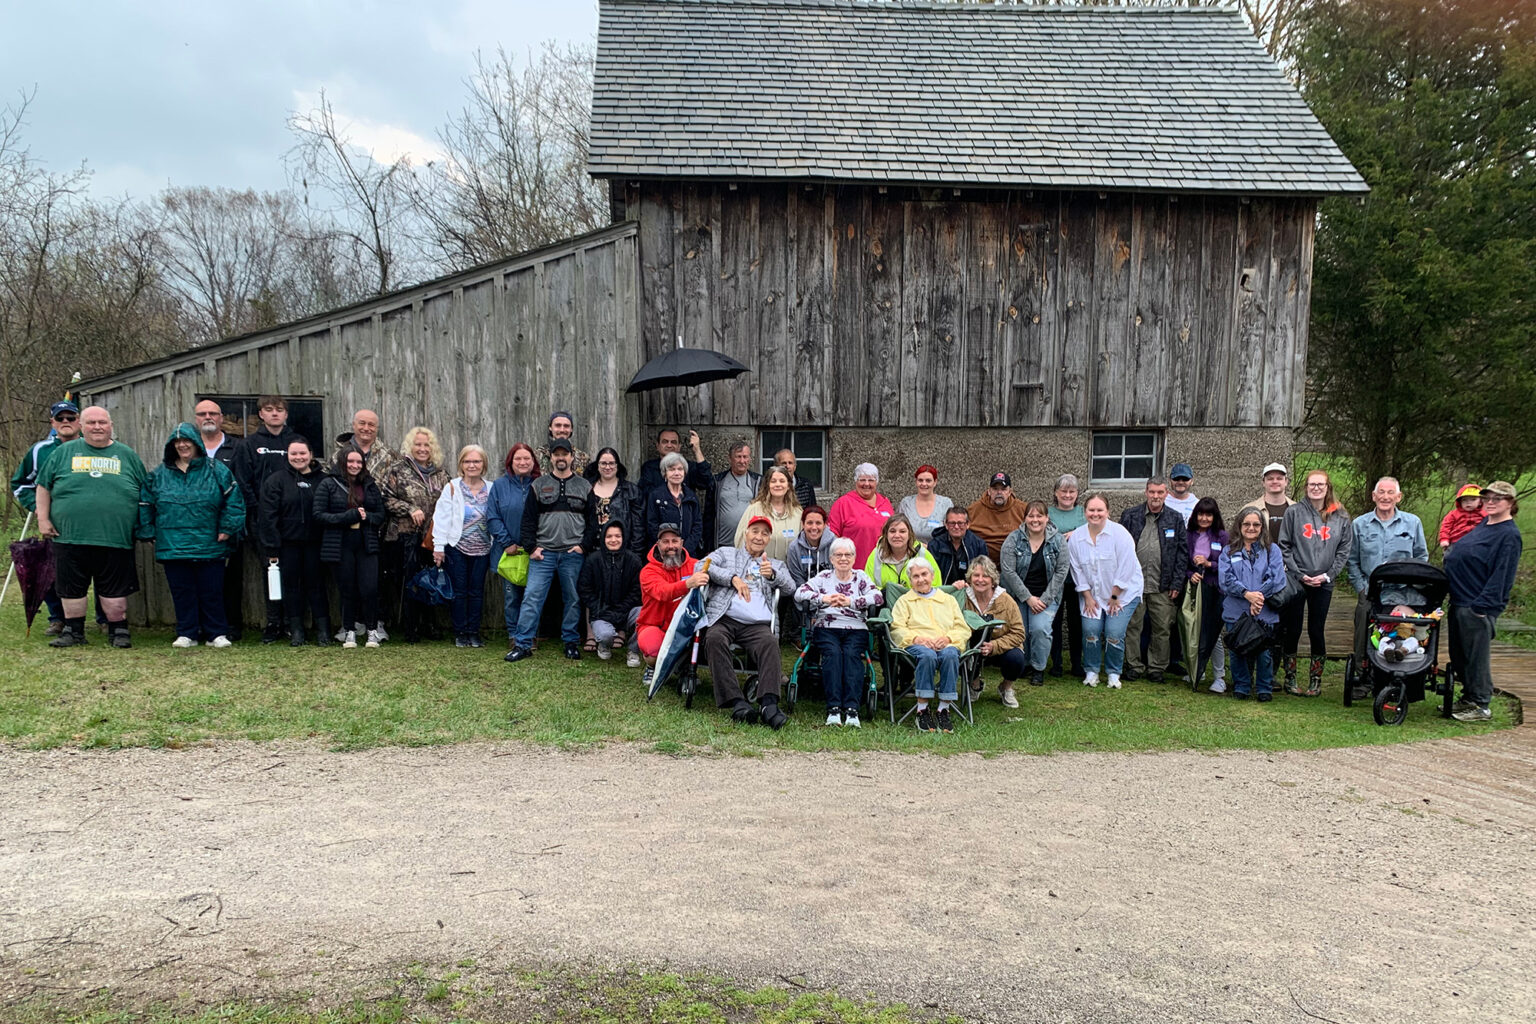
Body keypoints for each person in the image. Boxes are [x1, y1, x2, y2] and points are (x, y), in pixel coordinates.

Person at [35, 406, 148, 649]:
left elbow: (145, 492)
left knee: (115, 589)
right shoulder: (63, 452)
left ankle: (118, 630)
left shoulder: (126, 454)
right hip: (69, 536)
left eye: (102, 422)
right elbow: (43, 486)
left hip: (115, 537)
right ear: (81, 426)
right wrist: (43, 519)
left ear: (111, 425)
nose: (97, 427)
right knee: (70, 587)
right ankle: (73, 631)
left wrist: (143, 524)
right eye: (91, 423)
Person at [137, 422, 245, 648]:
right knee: (182, 591)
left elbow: (234, 501)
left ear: (196, 443)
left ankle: (216, 632)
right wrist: (148, 531)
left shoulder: (217, 470)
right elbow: (145, 503)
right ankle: (187, 632)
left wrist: (227, 528)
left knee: (212, 591)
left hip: (210, 543)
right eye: (177, 442)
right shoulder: (158, 474)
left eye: (186, 441)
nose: (182, 445)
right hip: (172, 543)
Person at [700, 516, 797, 728]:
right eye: (755, 531)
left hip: (757, 624)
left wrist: (772, 576)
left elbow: (791, 588)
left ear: (769, 539)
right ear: (746, 533)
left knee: (770, 643)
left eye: (764, 533)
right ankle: (737, 702)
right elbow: (701, 565)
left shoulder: (774, 564)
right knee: (714, 638)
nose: (759, 537)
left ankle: (769, 704)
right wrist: (732, 578)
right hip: (725, 617)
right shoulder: (726, 553)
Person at [507, 436, 592, 662]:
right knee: (532, 597)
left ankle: (571, 642)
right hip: (543, 553)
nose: (561, 458)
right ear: (551, 457)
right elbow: (528, 521)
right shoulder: (538, 485)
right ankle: (522, 643)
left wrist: (583, 546)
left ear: (572, 457)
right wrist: (532, 547)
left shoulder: (584, 486)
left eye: (565, 454)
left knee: (573, 598)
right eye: (557, 454)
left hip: (571, 554)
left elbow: (592, 522)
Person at [1444, 481, 1523, 723]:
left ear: (1510, 503)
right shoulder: (1484, 523)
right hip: (1459, 599)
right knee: (1460, 655)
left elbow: (1502, 575)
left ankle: (1480, 704)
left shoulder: (1509, 535)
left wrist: (1482, 607)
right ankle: (1468, 697)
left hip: (1476, 605)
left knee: (1476, 656)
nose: (1490, 502)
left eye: (1497, 499)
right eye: (1487, 498)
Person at [1277, 470, 1352, 696]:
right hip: (1298, 580)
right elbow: (1284, 544)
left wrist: (1329, 574)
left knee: (1316, 630)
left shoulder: (1340, 515)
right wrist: (1299, 574)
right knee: (1293, 629)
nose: (1316, 488)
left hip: (1324, 582)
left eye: (1320, 484)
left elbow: (1344, 549)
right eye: (1312, 485)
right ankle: (1290, 678)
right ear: (1306, 488)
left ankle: (1315, 680)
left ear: (1328, 487)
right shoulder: (1294, 512)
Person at [233, 395, 302, 643]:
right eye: (269, 409)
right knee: (271, 572)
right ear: (261, 414)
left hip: (293, 521)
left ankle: (293, 623)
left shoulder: (296, 442)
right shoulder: (249, 445)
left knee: (294, 572)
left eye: (280, 409)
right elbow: (242, 480)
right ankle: (273, 623)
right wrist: (259, 510)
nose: (275, 414)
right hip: (263, 521)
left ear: (286, 414)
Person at [9, 399, 81, 635]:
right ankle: (57, 618)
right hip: (52, 521)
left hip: (84, 520)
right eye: (60, 418)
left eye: (70, 418)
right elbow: (21, 483)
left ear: (78, 421)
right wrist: (38, 509)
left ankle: (103, 619)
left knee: (91, 567)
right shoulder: (40, 450)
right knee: (50, 570)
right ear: (52, 422)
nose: (66, 422)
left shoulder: (91, 446)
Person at [795, 536, 882, 727]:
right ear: (832, 558)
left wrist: (851, 602)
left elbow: (877, 596)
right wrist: (824, 598)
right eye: (839, 555)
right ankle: (833, 708)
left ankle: (852, 710)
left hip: (856, 627)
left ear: (854, 557)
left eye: (848, 555)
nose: (843, 558)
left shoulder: (861, 577)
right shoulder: (824, 577)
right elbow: (800, 592)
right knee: (833, 654)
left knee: (851, 655)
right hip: (827, 626)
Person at [1347, 477, 1428, 680]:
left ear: (1398, 497)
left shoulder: (1413, 523)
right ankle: (1362, 676)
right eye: (1381, 492)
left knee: (1409, 627)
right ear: (1374, 496)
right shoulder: (1359, 524)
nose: (1385, 497)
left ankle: (1403, 672)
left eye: (1390, 493)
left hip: (1404, 591)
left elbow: (1421, 557)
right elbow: (1351, 560)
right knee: (1363, 626)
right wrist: (1361, 588)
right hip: (1371, 589)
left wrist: (1415, 585)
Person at [1066, 493, 1143, 689]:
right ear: (1085, 512)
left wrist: (1116, 595)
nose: (1095, 514)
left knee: (1113, 632)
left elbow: (1127, 567)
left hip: (1122, 593)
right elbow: (1077, 570)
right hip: (1092, 594)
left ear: (1108, 512)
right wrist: (1087, 597)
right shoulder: (1077, 538)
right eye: (1091, 510)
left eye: (1100, 510)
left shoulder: (1120, 534)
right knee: (1090, 631)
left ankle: (1113, 673)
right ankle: (1091, 671)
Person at [259, 438, 330, 646]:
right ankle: (296, 630)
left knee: (317, 586)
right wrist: (271, 546)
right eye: (294, 454)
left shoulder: (323, 480)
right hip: (287, 544)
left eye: (302, 453)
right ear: (287, 456)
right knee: (291, 587)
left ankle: (323, 630)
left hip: (316, 544)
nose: (298, 458)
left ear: (311, 454)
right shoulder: (276, 480)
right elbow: (267, 516)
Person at [381, 427, 449, 643]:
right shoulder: (397, 469)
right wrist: (409, 509)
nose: (422, 448)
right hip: (404, 535)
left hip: (433, 536)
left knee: (430, 580)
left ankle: (429, 624)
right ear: (411, 446)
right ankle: (410, 628)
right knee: (410, 581)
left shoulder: (441, 473)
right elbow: (385, 499)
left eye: (426, 444)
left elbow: (449, 502)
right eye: (418, 444)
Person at [313, 448, 386, 649]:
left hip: (366, 542)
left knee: (369, 588)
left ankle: (372, 630)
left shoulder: (369, 485)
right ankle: (349, 631)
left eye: (359, 462)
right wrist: (346, 517)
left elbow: (380, 514)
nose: (354, 466)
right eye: (350, 461)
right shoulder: (328, 484)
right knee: (347, 589)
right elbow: (319, 515)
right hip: (340, 543)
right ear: (342, 462)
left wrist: (366, 517)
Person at [1119, 476, 1189, 683]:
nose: (1156, 496)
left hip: (1163, 585)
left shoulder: (1175, 519)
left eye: (1160, 492)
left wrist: (1177, 583)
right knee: (1132, 626)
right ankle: (1134, 665)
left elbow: (1182, 553)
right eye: (1152, 492)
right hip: (1134, 585)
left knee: (1162, 628)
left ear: (1166, 493)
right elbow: (1120, 549)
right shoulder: (1130, 516)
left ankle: (1157, 667)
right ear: (1146, 492)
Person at [890, 560, 971, 733]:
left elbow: (962, 627)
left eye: (924, 574)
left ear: (932, 576)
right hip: (916, 644)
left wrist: (948, 638)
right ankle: (922, 709)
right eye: (915, 576)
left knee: (950, 655)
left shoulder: (948, 600)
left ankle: (944, 709)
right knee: (928, 655)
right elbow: (897, 628)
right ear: (910, 581)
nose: (921, 579)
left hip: (946, 643)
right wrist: (917, 638)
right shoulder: (904, 601)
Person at [1219, 508, 1288, 701]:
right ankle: (1241, 685)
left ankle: (1264, 687)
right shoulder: (1229, 550)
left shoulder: (1272, 550)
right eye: (1246, 524)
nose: (1251, 528)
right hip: (1237, 609)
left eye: (1256, 524)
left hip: (1264, 610)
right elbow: (1226, 579)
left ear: (1262, 527)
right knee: (1237, 650)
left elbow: (1277, 578)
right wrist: (1246, 594)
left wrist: (1258, 597)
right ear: (1239, 526)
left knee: (1264, 652)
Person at [999, 500, 1070, 688]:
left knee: (1039, 629)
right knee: (1020, 629)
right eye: (1031, 516)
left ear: (1047, 518)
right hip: (1019, 595)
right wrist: (1028, 598)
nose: (1035, 519)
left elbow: (1062, 571)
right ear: (1025, 519)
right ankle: (1024, 664)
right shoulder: (1013, 539)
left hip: (1047, 596)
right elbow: (1008, 571)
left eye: (1039, 516)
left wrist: (1044, 599)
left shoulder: (1058, 540)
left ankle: (1038, 668)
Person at [432, 445, 495, 648]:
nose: (472, 465)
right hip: (457, 547)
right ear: (461, 464)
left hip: (483, 549)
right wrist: (438, 546)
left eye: (476, 461)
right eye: (467, 461)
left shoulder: (492, 488)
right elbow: (441, 518)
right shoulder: (452, 487)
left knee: (476, 591)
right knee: (459, 591)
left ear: (483, 464)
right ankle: (460, 632)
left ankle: (473, 632)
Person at [193, 399, 244, 639]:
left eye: (213, 413)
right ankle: (201, 626)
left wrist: (231, 522)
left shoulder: (238, 448)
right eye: (202, 414)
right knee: (199, 580)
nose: (208, 417)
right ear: (196, 419)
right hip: (196, 525)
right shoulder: (188, 448)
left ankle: (230, 625)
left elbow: (243, 486)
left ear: (222, 418)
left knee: (230, 579)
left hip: (229, 524)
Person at [636, 522, 711, 682]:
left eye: (674, 541)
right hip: (655, 625)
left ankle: (683, 668)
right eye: (665, 542)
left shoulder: (696, 565)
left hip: (687, 626)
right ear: (658, 545)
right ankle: (652, 666)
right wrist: (688, 584)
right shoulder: (648, 571)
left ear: (681, 543)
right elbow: (662, 592)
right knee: (653, 650)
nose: (670, 546)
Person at [487, 443, 539, 649]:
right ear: (511, 462)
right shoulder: (499, 486)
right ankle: (513, 634)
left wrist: (535, 544)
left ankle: (531, 634)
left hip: (533, 552)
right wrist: (507, 542)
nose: (522, 462)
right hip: (508, 552)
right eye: (518, 458)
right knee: (511, 597)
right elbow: (492, 517)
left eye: (526, 458)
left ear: (533, 461)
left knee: (532, 595)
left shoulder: (540, 484)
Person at [963, 556, 1026, 707]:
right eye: (976, 575)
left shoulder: (1006, 600)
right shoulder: (963, 598)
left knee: (1016, 658)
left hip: (1001, 648)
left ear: (993, 580)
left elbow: (1019, 633)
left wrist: (995, 646)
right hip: (973, 647)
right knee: (956, 652)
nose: (980, 580)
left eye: (985, 576)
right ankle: (975, 685)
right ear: (970, 578)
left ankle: (1006, 688)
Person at [578, 520, 644, 663]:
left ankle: (633, 650)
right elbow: (585, 589)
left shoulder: (634, 560)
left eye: (617, 536)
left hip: (626, 611)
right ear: (603, 538)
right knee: (605, 635)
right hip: (601, 612)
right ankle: (604, 646)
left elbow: (637, 591)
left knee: (645, 615)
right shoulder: (593, 560)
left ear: (623, 537)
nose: (613, 540)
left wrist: (622, 610)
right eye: (609, 536)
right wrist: (600, 609)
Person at [1185, 497, 1229, 693]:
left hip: (1216, 590)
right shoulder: (1188, 535)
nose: (1204, 518)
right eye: (1201, 514)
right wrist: (1190, 574)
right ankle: (1197, 669)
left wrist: (1209, 564)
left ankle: (1219, 677)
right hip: (1195, 590)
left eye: (1208, 514)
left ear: (1214, 516)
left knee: (1215, 635)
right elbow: (1183, 562)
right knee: (1194, 631)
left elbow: (1229, 567)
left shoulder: (1222, 537)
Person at [1046, 474, 1086, 678]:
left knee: (1076, 621)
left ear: (1077, 494)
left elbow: (1092, 532)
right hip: (1054, 577)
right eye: (1064, 491)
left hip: (1078, 577)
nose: (1067, 495)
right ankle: (1057, 664)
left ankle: (1077, 664)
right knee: (1054, 621)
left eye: (1071, 492)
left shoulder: (1083, 513)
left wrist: (1076, 535)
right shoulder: (1048, 512)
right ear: (1056, 493)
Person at [827, 463, 893, 567]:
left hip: (883, 566)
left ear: (877, 482)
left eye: (871, 480)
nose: (866, 484)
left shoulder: (885, 502)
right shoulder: (843, 503)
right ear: (855, 481)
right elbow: (832, 538)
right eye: (862, 480)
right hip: (854, 568)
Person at [585, 447, 645, 555]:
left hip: (623, 552)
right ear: (597, 465)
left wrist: (634, 553)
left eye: (611, 463)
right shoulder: (587, 488)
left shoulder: (631, 491)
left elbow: (638, 527)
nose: (607, 467)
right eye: (603, 463)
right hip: (591, 552)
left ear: (617, 465)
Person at [732, 465, 802, 560]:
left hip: (788, 571)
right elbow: (740, 540)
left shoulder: (798, 513)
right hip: (758, 570)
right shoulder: (754, 509)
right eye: (773, 481)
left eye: (782, 481)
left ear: (789, 485)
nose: (778, 484)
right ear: (767, 485)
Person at [644, 452, 705, 555]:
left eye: (680, 469)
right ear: (665, 473)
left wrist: (685, 549)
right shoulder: (655, 496)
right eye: (672, 469)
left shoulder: (691, 496)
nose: (677, 473)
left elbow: (697, 526)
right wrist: (668, 546)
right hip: (663, 552)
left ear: (685, 473)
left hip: (688, 553)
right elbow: (652, 525)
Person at [863, 513, 940, 589]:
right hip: (883, 601)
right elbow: (867, 588)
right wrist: (887, 592)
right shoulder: (876, 555)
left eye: (902, 531)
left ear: (909, 534)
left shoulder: (923, 554)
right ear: (886, 534)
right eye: (892, 531)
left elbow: (936, 586)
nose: (897, 535)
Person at [966, 472, 1028, 563]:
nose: (999, 492)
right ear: (989, 491)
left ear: (1010, 492)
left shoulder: (1023, 509)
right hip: (983, 563)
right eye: (995, 489)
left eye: (1003, 489)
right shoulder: (973, 510)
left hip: (1016, 562)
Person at [708, 440, 760, 550]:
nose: (742, 461)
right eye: (738, 457)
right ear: (730, 458)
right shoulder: (718, 481)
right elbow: (709, 515)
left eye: (745, 457)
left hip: (749, 544)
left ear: (750, 458)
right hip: (723, 544)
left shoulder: (758, 481)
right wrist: (708, 547)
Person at [926, 507, 988, 587]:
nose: (956, 527)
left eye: (960, 523)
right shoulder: (935, 545)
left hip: (970, 590)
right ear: (946, 524)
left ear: (968, 524)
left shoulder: (978, 545)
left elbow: (985, 573)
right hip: (942, 591)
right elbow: (930, 574)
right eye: (952, 523)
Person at [637, 428, 711, 495]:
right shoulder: (649, 467)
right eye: (665, 442)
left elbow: (705, 483)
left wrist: (697, 450)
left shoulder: (688, 466)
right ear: (657, 446)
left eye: (673, 442)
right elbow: (645, 492)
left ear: (679, 446)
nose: (669, 445)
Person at [896, 465, 954, 546]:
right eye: (920, 480)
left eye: (928, 480)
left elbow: (952, 532)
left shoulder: (945, 503)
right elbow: (897, 529)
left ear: (935, 482)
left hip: (938, 555)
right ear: (916, 482)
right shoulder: (906, 503)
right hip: (910, 553)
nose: (924, 484)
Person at [332, 409, 395, 480]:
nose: (366, 428)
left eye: (371, 425)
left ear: (377, 428)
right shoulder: (337, 453)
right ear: (354, 425)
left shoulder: (389, 456)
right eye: (362, 423)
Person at [1244, 462, 1295, 548]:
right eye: (1270, 479)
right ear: (1263, 482)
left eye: (1279, 478)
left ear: (1286, 482)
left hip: (1291, 560)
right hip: (1260, 559)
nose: (1275, 481)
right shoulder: (1249, 509)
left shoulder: (1297, 509)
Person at [785, 504, 836, 588]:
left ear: (825, 525)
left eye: (818, 523)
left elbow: (839, 575)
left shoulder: (835, 545)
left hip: (831, 595)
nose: (814, 527)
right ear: (802, 524)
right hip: (804, 596)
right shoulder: (794, 548)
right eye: (809, 523)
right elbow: (797, 579)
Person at [535, 410, 590, 475]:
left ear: (571, 429)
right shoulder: (537, 455)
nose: (562, 430)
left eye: (566, 426)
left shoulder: (583, 458)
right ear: (550, 427)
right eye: (558, 425)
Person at [1439, 484, 1484, 552]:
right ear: (1460, 502)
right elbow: (1445, 527)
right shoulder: (1453, 514)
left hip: (1478, 543)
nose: (1468, 502)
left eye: (1473, 499)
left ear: (1480, 502)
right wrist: (1444, 539)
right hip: (1456, 543)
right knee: (1450, 557)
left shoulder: (1485, 514)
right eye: (1464, 500)